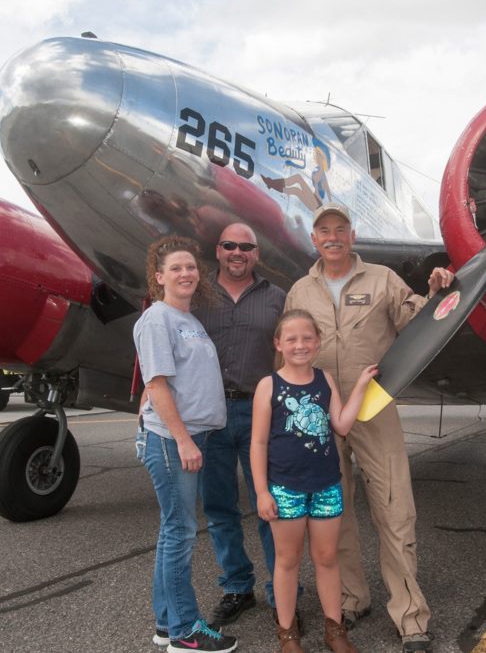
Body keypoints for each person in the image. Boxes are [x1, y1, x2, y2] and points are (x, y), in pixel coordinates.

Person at [283, 204, 454, 653]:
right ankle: (351, 598)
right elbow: (287, 353)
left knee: (395, 511)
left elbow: (419, 320)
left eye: (341, 229)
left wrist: (436, 291)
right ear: (314, 239)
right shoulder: (300, 289)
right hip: (319, 415)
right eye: (325, 231)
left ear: (352, 235)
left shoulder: (381, 279)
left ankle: (411, 617)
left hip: (374, 407)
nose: (333, 237)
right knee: (332, 514)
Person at [250, 309, 379, 653]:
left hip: (326, 485)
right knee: (287, 561)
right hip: (285, 488)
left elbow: (341, 424)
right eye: (291, 339)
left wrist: (362, 387)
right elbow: (259, 443)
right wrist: (262, 491)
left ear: (318, 341)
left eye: (307, 338)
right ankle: (288, 634)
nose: (300, 345)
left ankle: (335, 630)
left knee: (326, 557)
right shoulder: (269, 386)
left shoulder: (325, 380)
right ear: (278, 344)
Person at [133, 235, 237, 653]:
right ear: (159, 278)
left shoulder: (187, 320)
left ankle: (165, 623)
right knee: (180, 533)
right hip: (174, 440)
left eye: (190, 267)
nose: (185, 273)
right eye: (175, 268)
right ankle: (185, 631)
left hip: (192, 435)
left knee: (172, 531)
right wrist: (182, 440)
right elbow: (155, 384)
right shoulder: (158, 319)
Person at [191, 223, 287, 627]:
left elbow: (293, 351)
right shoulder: (195, 295)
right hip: (209, 414)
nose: (237, 252)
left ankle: (282, 592)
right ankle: (236, 588)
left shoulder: (276, 298)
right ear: (218, 250)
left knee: (271, 508)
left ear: (256, 255)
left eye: (246, 246)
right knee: (218, 508)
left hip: (260, 413)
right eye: (230, 245)